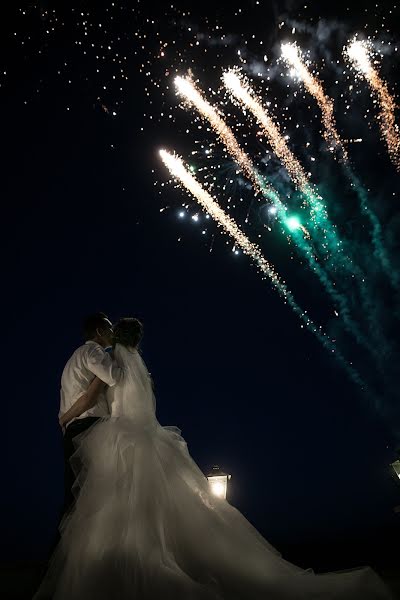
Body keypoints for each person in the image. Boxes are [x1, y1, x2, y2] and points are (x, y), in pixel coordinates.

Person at [35, 318, 393, 600]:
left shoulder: (113, 362)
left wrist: (68, 415)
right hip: (138, 435)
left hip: (119, 435)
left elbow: (108, 389)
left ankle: (109, 569)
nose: (110, 335)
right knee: (142, 506)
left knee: (106, 505)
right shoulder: (138, 369)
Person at [59, 312, 123, 516]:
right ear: (99, 331)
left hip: (73, 429)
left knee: (76, 491)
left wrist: (65, 419)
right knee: (92, 492)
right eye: (110, 328)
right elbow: (112, 377)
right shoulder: (93, 351)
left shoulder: (74, 357)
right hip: (89, 427)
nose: (113, 333)